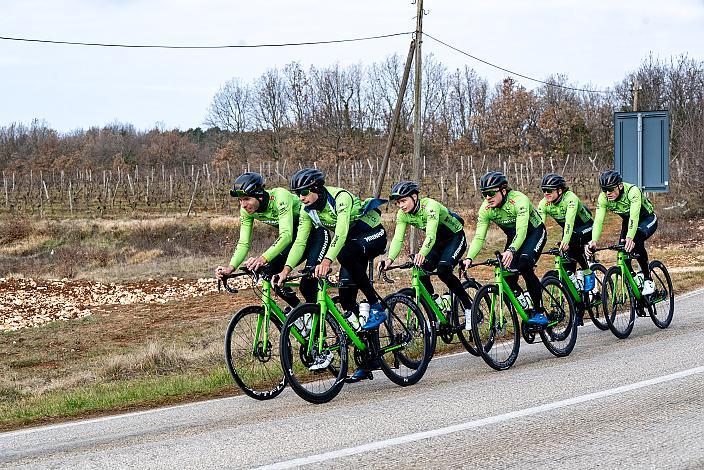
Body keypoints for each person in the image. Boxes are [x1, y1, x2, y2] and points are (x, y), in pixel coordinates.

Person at [275, 168, 387, 379]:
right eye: (297, 193)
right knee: (346, 297)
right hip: (350, 243)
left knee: (345, 254)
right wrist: (286, 269)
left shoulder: (340, 198)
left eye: (305, 192)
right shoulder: (309, 210)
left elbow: (342, 232)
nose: (301, 197)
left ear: (317, 188)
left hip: (372, 234)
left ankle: (376, 306)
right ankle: (369, 356)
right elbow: (299, 242)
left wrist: (327, 260)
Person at [214, 172, 325, 307]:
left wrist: (262, 258)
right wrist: (230, 268)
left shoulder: (280, 197)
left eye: (247, 199)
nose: (243, 205)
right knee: (270, 273)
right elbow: (243, 242)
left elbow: (286, 235)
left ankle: (317, 319)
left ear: (259, 196)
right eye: (240, 200)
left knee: (307, 284)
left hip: (316, 235)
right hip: (296, 238)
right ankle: (299, 313)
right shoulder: (246, 210)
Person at [462, 171, 549, 326]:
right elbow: (479, 236)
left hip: (533, 232)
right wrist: (469, 257)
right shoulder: (486, 208)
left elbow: (522, 231)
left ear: (503, 190)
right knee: (507, 275)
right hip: (514, 236)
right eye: (484, 194)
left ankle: (540, 311)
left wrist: (511, 250)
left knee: (524, 264)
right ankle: (526, 306)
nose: (487, 197)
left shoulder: (519, 200)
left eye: (490, 193)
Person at [381, 180, 473, 323]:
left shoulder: (430, 206)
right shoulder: (402, 214)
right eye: (398, 202)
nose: (401, 205)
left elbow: (431, 235)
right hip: (437, 242)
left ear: (415, 197)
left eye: (403, 201)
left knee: (443, 270)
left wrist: (422, 253)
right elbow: (398, 239)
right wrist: (390, 259)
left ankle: (468, 307)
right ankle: (436, 303)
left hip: (454, 237)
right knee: (421, 271)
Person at [587, 169, 657, 295]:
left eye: (611, 189)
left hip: (646, 219)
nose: (608, 193)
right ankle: (635, 279)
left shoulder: (632, 191)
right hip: (628, 221)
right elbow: (598, 221)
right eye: (605, 189)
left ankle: (648, 279)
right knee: (622, 249)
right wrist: (594, 240)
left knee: (636, 240)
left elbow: (634, 216)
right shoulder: (603, 198)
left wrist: (630, 237)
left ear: (620, 185)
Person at [537, 173, 594, 287]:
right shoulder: (544, 203)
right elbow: (539, 226)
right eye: (544, 190)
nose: (546, 194)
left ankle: (587, 271)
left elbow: (569, 221)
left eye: (549, 190)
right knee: (568, 263)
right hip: (569, 230)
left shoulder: (570, 198)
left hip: (586, 226)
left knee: (572, 240)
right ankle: (575, 292)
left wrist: (566, 240)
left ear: (560, 190)